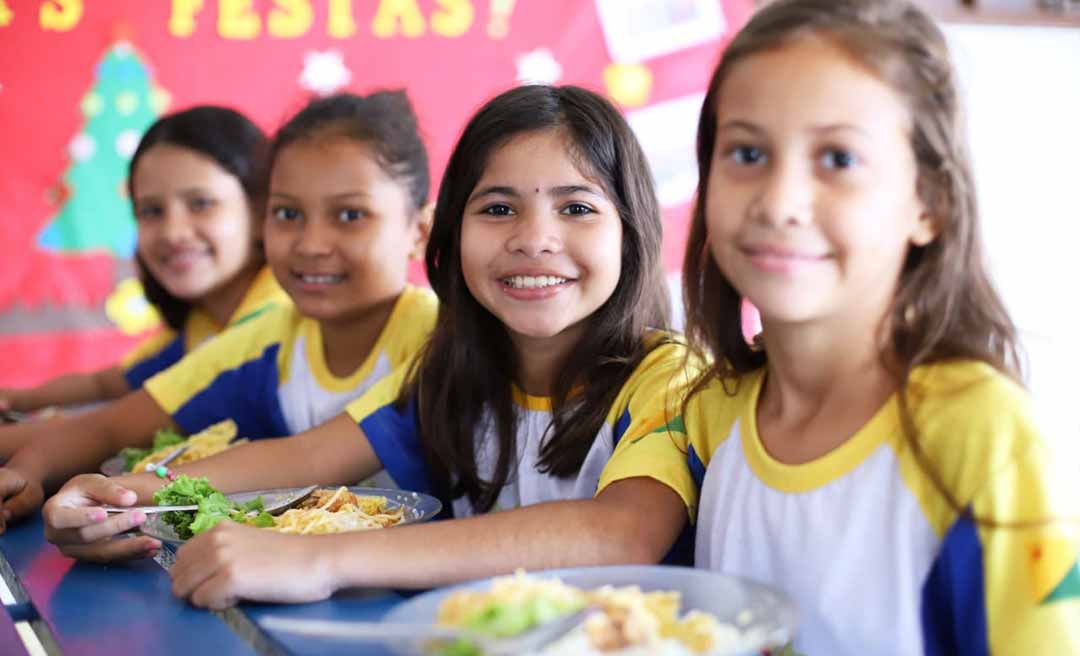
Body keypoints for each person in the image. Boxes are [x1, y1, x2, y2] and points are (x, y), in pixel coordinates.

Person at [44, 85, 693, 603]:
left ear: (633, 233)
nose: (534, 238)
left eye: (576, 208)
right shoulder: (450, 373)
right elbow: (303, 459)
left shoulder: (668, 378)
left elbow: (621, 531)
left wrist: (320, 558)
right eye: (498, 208)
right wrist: (124, 496)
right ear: (450, 238)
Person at [598, 0, 1080, 653]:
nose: (780, 201)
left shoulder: (979, 434)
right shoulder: (705, 413)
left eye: (839, 160)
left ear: (929, 206)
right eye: (746, 152)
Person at [0, 92, 437, 549]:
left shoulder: (437, 337)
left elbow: (306, 458)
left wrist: (125, 494)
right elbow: (110, 424)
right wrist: (35, 474)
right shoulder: (266, 339)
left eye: (351, 215)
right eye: (288, 214)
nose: (311, 243)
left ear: (419, 232)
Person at [0, 106, 286, 440]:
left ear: (260, 210)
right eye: (151, 211)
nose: (172, 233)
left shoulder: (276, 315)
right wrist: (16, 398)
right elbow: (105, 383)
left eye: (201, 204)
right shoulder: (203, 323)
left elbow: (115, 425)